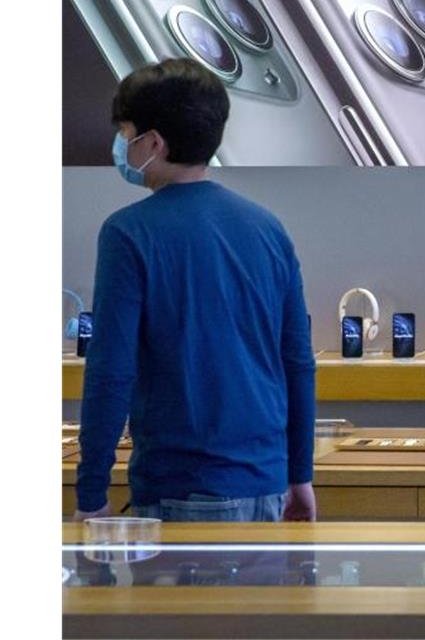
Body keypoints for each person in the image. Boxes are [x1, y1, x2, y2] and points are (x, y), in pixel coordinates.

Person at [74, 58, 317, 523]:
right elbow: (296, 362)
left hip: (180, 485)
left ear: (153, 142)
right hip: (266, 482)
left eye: (126, 134)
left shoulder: (128, 233)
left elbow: (111, 371)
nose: (123, 146)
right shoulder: (268, 228)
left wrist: (91, 491)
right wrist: (299, 473)